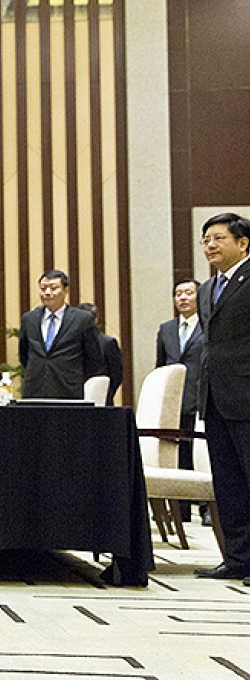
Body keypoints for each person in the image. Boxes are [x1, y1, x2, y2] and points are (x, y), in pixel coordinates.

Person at [192, 213, 250, 582]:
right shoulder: (206, 288)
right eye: (205, 240)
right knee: (228, 483)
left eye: (218, 238)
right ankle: (238, 558)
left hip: (246, 393)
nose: (210, 246)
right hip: (214, 397)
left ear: (243, 243)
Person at [155, 279, 206, 523]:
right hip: (173, 403)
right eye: (178, 294)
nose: (182, 298)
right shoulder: (166, 329)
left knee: (201, 454)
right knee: (177, 455)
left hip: (200, 399)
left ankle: (207, 509)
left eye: (188, 293)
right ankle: (181, 512)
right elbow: (160, 367)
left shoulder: (208, 326)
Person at [18, 270, 105, 399]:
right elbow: (24, 354)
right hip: (35, 390)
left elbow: (94, 359)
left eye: (53, 288)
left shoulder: (82, 320)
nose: (47, 293)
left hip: (68, 390)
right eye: (43, 288)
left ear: (66, 290)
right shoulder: (29, 319)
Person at [76, 302, 123, 404]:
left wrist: (104, 393)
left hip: (103, 399)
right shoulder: (71, 342)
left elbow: (116, 375)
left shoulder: (108, 342)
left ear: (96, 320)